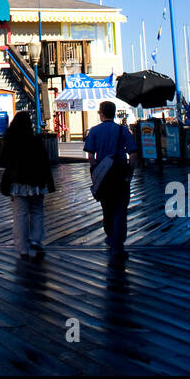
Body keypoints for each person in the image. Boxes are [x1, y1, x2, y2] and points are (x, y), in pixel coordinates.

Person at [83, 101, 138, 266]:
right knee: (121, 209)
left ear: (101, 113)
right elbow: (133, 154)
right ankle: (118, 243)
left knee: (107, 207)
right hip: (120, 173)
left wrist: (95, 171)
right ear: (114, 113)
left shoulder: (94, 131)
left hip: (104, 174)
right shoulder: (123, 130)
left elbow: (90, 156)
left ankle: (110, 236)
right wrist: (130, 172)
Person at [0, 111, 55, 260]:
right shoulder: (36, 140)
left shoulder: (10, 140)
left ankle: (22, 247)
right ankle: (36, 240)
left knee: (20, 214)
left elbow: (4, 161)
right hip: (36, 181)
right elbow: (44, 161)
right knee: (37, 211)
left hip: (18, 182)